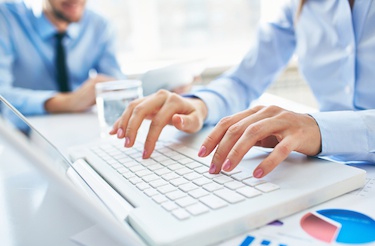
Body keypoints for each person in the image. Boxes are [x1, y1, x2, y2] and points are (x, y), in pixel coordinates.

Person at [109, 0, 375, 179]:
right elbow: (245, 79)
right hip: (332, 170)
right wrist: (200, 104)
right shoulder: (300, 6)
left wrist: (319, 128)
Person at [0, 0, 124, 116]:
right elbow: (2, 95)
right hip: (23, 132)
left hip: (80, 124)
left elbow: (120, 90)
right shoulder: (7, 17)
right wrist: (67, 102)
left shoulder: (100, 26)